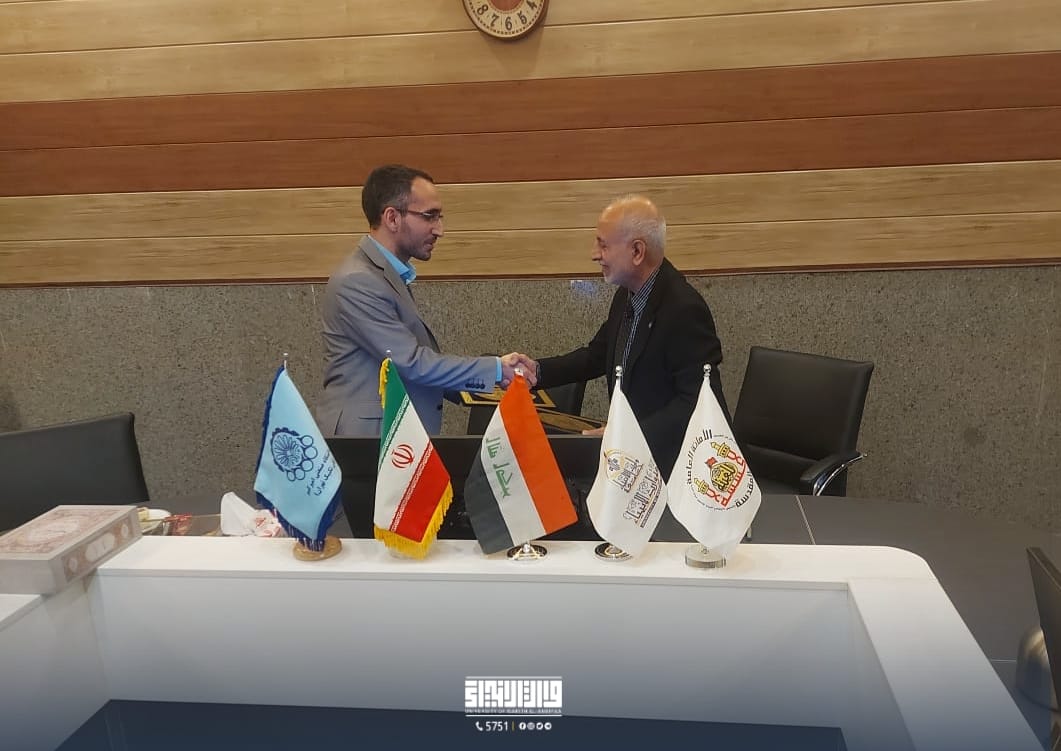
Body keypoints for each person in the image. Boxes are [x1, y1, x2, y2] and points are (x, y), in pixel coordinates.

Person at [317, 164, 534, 437]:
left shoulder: (384, 275)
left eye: (439, 217)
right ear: (392, 218)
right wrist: (496, 370)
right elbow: (412, 363)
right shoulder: (358, 281)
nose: (439, 230)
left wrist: (495, 374)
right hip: (366, 440)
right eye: (430, 216)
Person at [524, 194, 730, 480]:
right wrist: (537, 372)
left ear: (637, 251)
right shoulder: (627, 295)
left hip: (674, 471)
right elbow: (596, 356)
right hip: (635, 465)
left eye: (603, 245)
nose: (595, 254)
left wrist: (627, 437)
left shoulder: (684, 309)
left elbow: (698, 402)